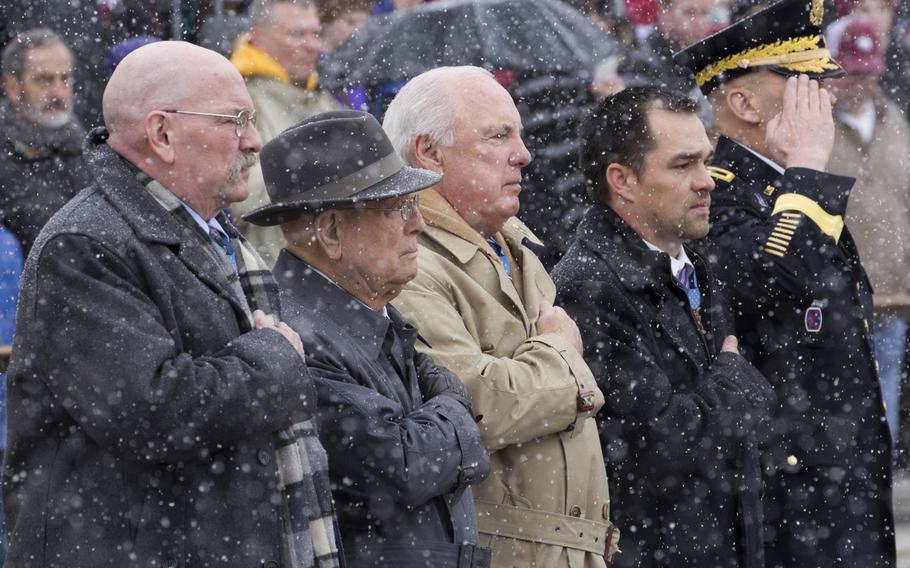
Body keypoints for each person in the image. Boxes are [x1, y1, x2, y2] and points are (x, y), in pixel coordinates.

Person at [2, 41, 340, 567]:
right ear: (162, 135)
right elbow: (152, 412)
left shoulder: (212, 234)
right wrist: (274, 359)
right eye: (235, 121)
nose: (253, 141)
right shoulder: (85, 246)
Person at [674, 0, 896, 565]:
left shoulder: (787, 187)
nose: (820, 97)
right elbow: (772, 284)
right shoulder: (715, 190)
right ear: (743, 102)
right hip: (788, 480)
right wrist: (806, 169)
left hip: (839, 466)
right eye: (800, 83)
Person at [383, 66, 619, 568]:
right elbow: (473, 403)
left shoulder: (515, 240)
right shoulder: (408, 263)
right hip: (500, 553)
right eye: (498, 135)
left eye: (520, 134)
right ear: (428, 152)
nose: (524, 154)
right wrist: (561, 354)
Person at [243, 109, 493, 567]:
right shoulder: (294, 336)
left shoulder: (369, 312)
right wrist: (458, 411)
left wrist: (445, 422)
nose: (417, 223)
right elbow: (402, 468)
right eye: (397, 208)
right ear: (332, 231)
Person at [552, 86, 775, 568]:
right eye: (683, 165)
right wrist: (738, 386)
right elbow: (661, 445)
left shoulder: (693, 258)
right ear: (623, 180)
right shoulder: (590, 287)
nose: (707, 181)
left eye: (706, 160)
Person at [825, 15, 910, 459]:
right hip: (838, 294)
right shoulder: (814, 127)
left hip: (894, 290)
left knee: (886, 387)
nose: (858, 81)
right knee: (841, 395)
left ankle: (878, 477)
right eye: (849, 71)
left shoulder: (897, 122)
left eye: (866, 71)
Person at [230, 0, 339, 265]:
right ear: (257, 36)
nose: (313, 45)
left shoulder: (319, 96)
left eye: (315, 34)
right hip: (276, 273)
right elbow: (238, 198)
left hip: (328, 271)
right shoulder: (240, 99)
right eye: (297, 34)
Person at [0, 27, 92, 257]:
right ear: (12, 86)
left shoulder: (89, 146)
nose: (59, 93)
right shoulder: (6, 154)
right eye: (44, 80)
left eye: (65, 78)